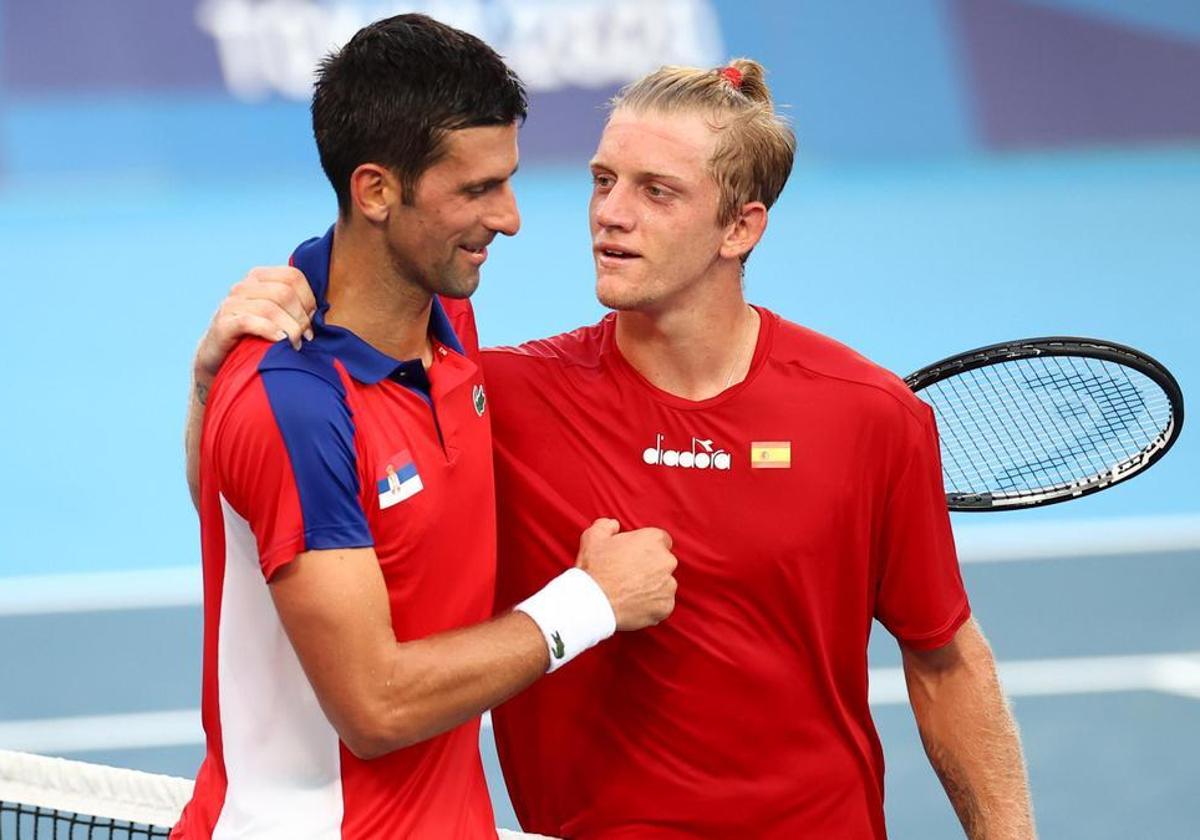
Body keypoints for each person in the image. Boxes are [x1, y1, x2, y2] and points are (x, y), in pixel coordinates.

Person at [189, 57, 1036, 839]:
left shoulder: (865, 416)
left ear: (739, 229)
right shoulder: (496, 398)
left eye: (657, 192)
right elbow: (268, 497)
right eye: (603, 181)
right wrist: (219, 378)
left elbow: (947, 662)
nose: (611, 214)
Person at [173, 15, 678, 840]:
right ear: (375, 191)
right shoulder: (294, 398)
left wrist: (205, 388)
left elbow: (243, 510)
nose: (511, 217)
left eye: (506, 180)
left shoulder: (439, 313)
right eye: (477, 191)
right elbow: (374, 705)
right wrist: (590, 603)